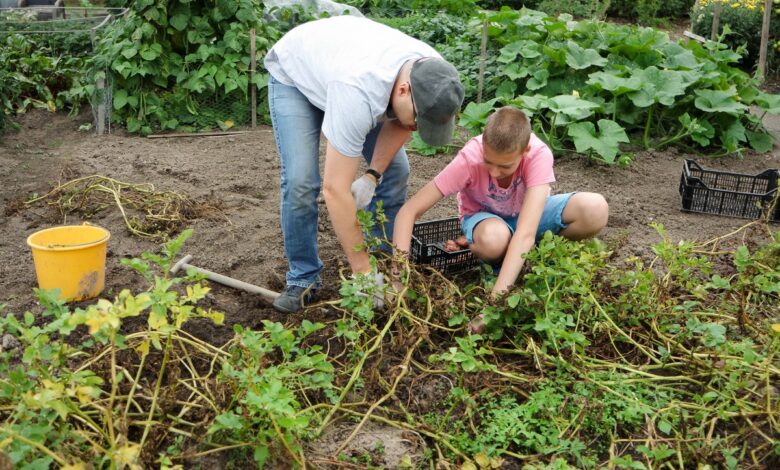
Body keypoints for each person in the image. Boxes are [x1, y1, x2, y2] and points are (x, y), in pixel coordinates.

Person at [264, 15, 465, 313]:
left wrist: (373, 175)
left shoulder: (433, 76)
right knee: (301, 183)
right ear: (403, 92)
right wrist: (362, 274)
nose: (416, 129)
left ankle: (383, 257)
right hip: (296, 77)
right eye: (418, 121)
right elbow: (335, 189)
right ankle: (303, 277)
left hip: (342, 68)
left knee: (396, 170)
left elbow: (404, 123)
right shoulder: (358, 91)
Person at [393, 106, 608, 330]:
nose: (494, 172)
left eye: (505, 166)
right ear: (483, 145)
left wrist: (491, 309)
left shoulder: (538, 154)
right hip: (485, 220)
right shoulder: (470, 158)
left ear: (525, 151)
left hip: (526, 217)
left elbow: (525, 233)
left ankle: (529, 259)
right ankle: (503, 261)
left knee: (594, 209)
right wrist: (398, 279)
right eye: (489, 161)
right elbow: (409, 211)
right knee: (494, 239)